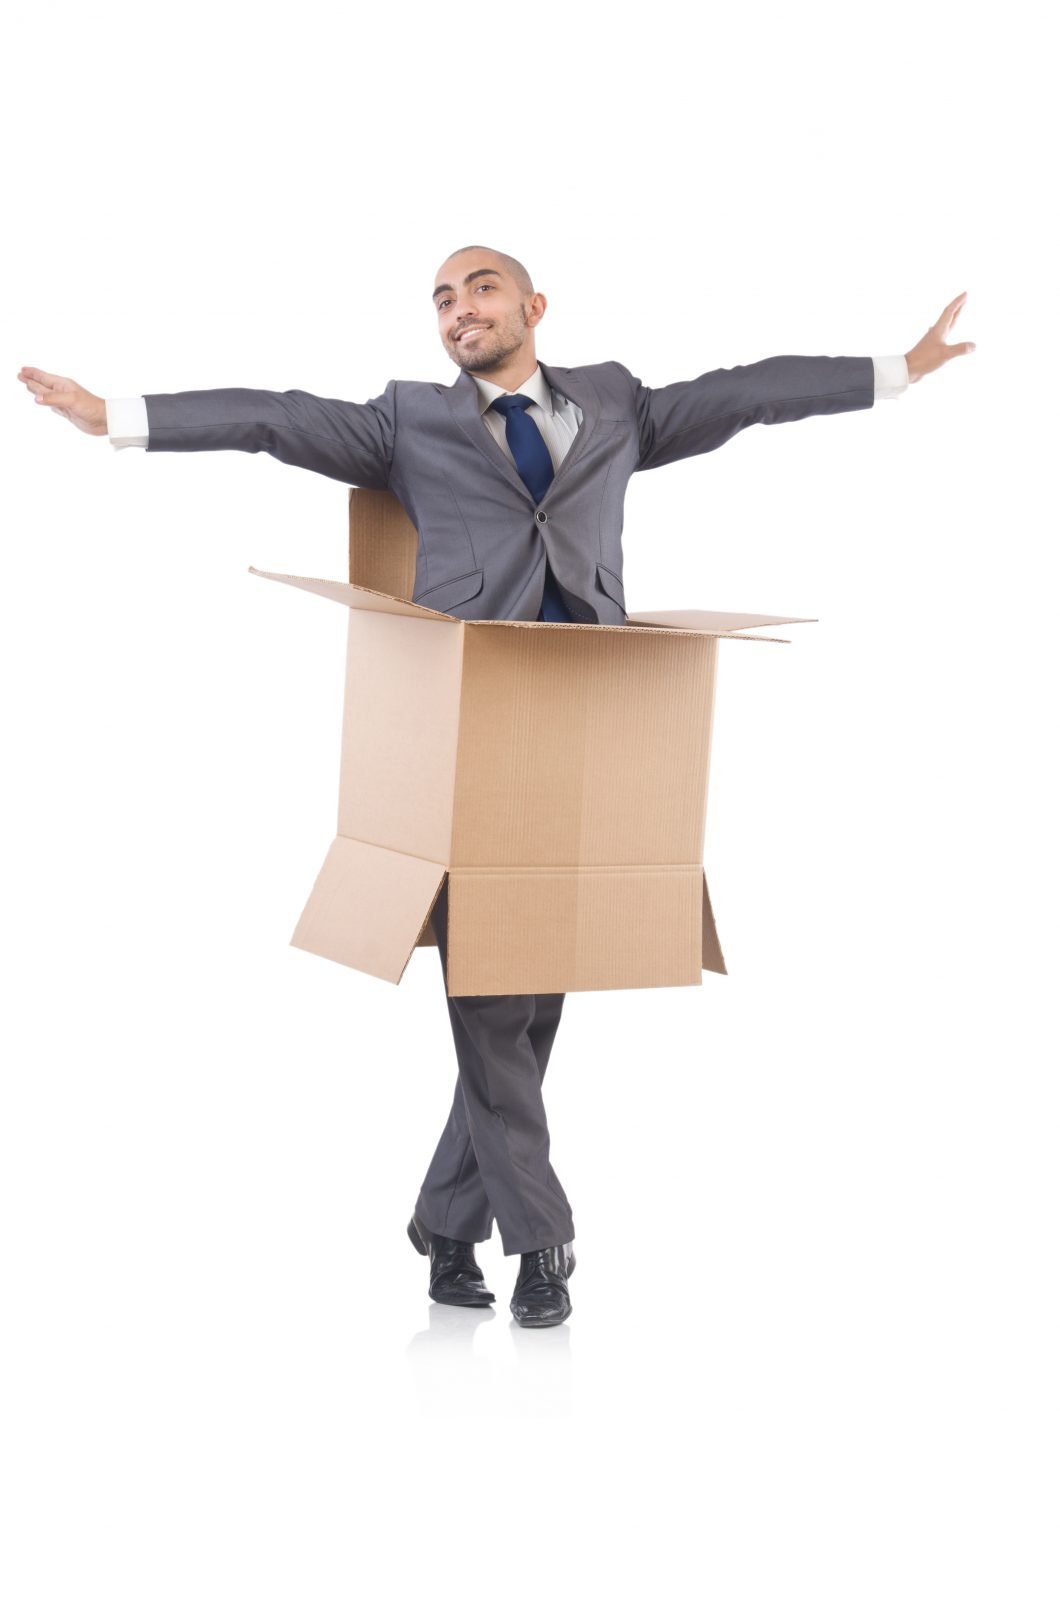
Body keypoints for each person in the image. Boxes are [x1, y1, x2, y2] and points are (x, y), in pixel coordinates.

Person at [17, 247, 975, 1329]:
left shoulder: (616, 405)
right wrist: (117, 415)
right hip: (466, 717)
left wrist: (898, 367)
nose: (455, 309)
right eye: (439, 298)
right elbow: (272, 417)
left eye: (476, 289)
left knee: (533, 992)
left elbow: (744, 395)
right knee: (488, 991)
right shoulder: (404, 422)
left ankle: (441, 1220)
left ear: (531, 307)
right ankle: (543, 1240)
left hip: (585, 721)